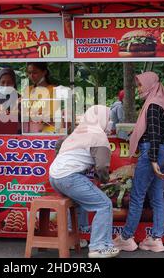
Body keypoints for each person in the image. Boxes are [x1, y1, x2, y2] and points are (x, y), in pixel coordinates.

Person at [114, 71, 164, 253]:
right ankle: (156, 239)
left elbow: (154, 134)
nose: (138, 88)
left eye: (140, 85)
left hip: (152, 153)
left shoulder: (153, 105)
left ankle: (126, 237)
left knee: (137, 196)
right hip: (160, 152)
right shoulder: (160, 102)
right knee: (157, 198)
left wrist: (153, 160)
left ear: (150, 84)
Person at [49, 105, 120, 258]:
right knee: (104, 205)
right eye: (109, 119)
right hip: (69, 178)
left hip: (54, 176)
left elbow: (58, 144)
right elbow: (101, 166)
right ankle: (99, 247)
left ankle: (74, 238)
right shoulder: (99, 136)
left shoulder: (77, 131)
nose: (110, 123)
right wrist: (105, 180)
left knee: (77, 200)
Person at [23, 62, 58, 133]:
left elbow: (51, 117)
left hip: (49, 131)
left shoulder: (53, 90)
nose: (31, 76)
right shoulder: (28, 90)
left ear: (44, 72)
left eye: (35, 73)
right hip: (29, 131)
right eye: (29, 73)